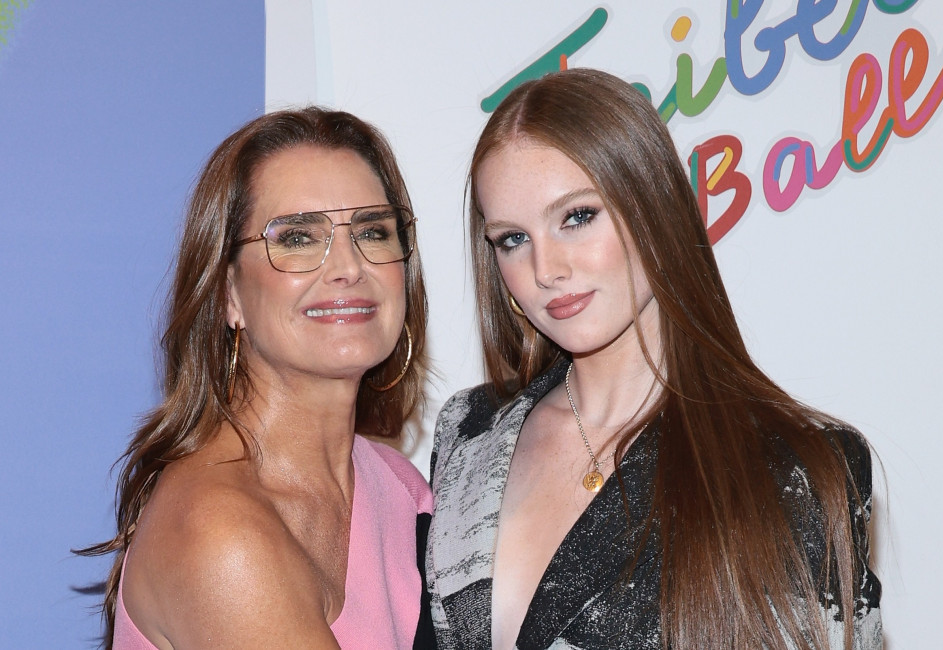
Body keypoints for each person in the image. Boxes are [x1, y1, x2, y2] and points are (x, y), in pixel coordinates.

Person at [426, 69, 881, 649]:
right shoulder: (469, 435)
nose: (546, 269)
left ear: (654, 206)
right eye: (513, 239)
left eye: (577, 216)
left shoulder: (796, 464)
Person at [79, 108, 435, 649]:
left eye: (372, 231)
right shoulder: (217, 533)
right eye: (296, 237)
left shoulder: (398, 483)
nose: (348, 266)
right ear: (228, 294)